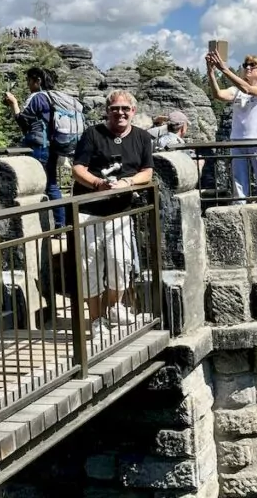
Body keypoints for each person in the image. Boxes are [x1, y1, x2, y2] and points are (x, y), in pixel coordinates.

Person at [71, 90, 155, 337]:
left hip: (120, 210)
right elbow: (78, 169)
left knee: (120, 262)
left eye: (125, 109)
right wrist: (98, 184)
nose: (120, 113)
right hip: (89, 210)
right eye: (115, 109)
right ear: (107, 111)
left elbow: (147, 172)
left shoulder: (141, 137)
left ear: (133, 112)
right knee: (89, 267)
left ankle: (114, 307)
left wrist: (128, 183)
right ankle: (96, 320)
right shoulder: (92, 135)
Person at [205, 51, 257, 203]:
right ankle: (240, 212)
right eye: (246, 65)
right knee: (239, 186)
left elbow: (249, 90)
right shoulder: (236, 90)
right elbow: (219, 95)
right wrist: (210, 72)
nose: (248, 68)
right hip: (237, 140)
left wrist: (224, 69)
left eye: (253, 65)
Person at [3, 67, 66, 231]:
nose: (28, 84)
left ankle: (37, 229)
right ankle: (61, 227)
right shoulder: (53, 98)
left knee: (36, 184)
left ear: (37, 81)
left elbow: (24, 123)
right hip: (54, 146)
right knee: (52, 185)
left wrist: (14, 103)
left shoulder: (37, 98)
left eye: (29, 81)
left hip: (39, 147)